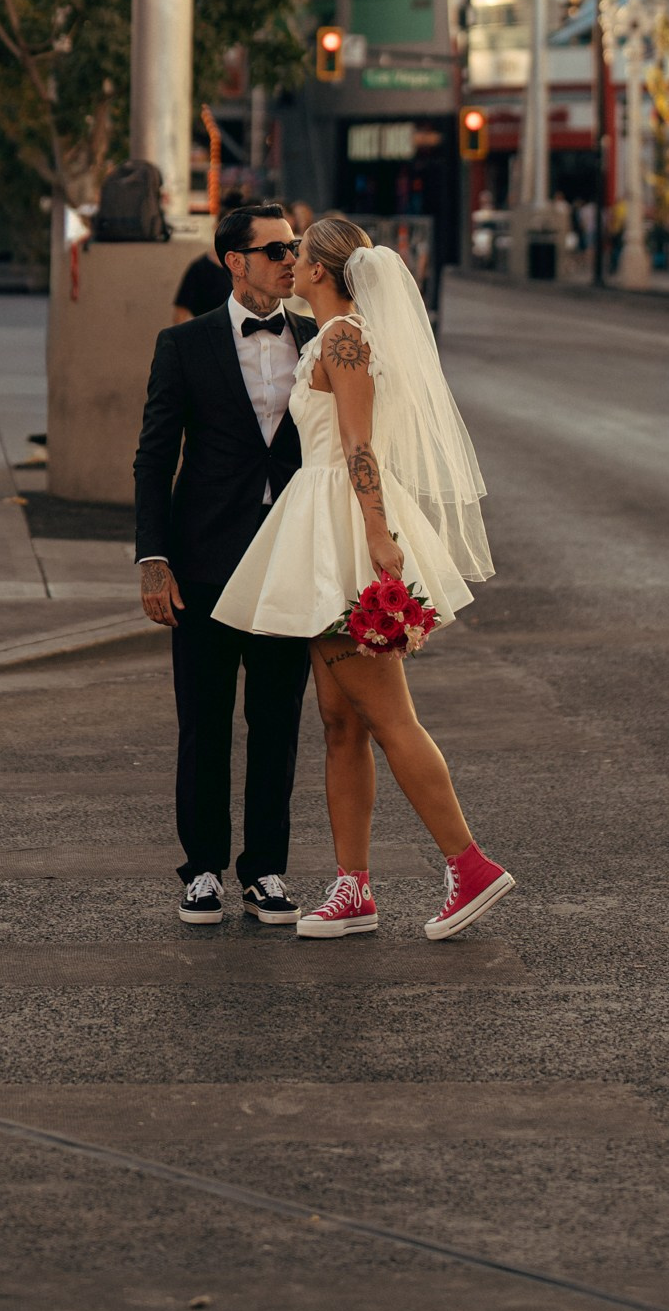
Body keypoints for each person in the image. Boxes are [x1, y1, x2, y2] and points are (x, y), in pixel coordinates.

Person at [214, 212, 514, 945]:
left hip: (342, 529)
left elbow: (358, 446)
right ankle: (354, 888)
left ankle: (469, 866)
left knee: (388, 717)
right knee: (340, 722)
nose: (288, 261)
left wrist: (377, 537)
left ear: (320, 270)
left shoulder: (344, 338)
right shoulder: (330, 336)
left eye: (297, 252)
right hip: (323, 526)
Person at [132, 201, 315, 928]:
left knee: (277, 722)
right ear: (234, 262)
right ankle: (202, 869)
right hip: (204, 559)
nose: (290, 260)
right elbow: (154, 458)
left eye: (293, 247)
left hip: (289, 560)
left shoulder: (319, 340)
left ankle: (265, 869)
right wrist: (154, 558)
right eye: (275, 250)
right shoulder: (183, 345)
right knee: (204, 723)